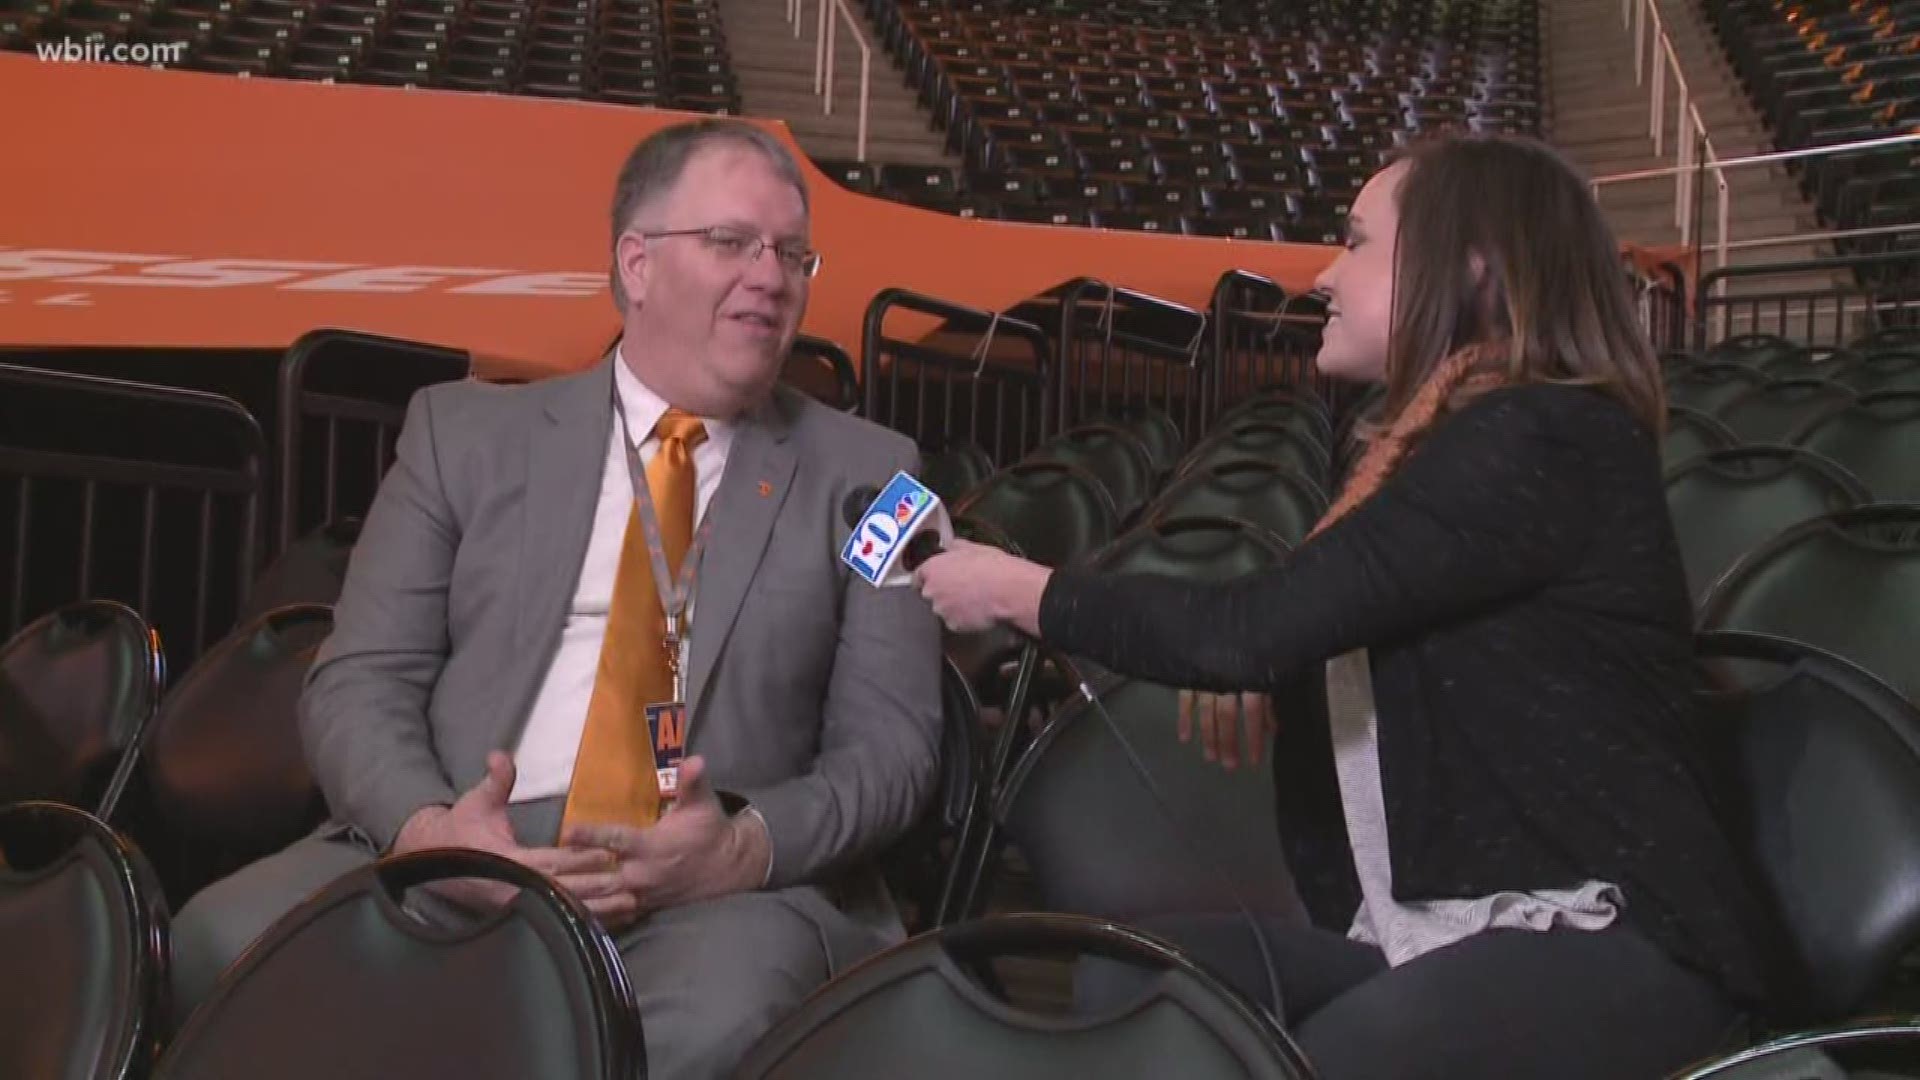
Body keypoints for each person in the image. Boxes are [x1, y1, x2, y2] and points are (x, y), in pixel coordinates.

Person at [913, 133, 1782, 1079]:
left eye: (1359, 242)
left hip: (1620, 931)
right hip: (1452, 926)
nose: (1324, 275)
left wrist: (1016, 589)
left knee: (1313, 1066)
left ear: (1475, 264)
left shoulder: (1541, 435)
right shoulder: (1468, 439)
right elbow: (1291, 627)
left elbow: (1250, 629)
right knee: (1139, 987)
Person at [170, 119, 944, 1078]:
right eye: (732, 243)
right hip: (460, 840)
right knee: (219, 940)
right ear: (638, 262)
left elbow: (897, 747)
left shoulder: (885, 479)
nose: (772, 275)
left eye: (793, 253)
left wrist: (743, 849)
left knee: (700, 1026)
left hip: (713, 895)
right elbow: (358, 681)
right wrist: (431, 832)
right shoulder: (460, 434)